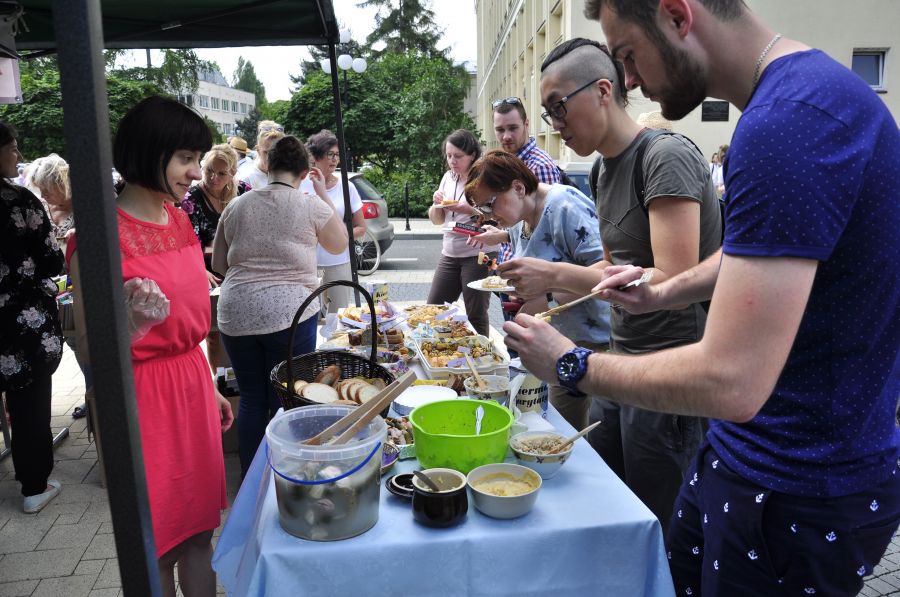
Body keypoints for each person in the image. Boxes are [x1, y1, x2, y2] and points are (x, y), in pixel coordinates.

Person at [505, 1, 900, 595]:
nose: (631, 81)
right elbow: (761, 254)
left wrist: (572, 363)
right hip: (751, 457)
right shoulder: (794, 103)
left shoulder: (788, 122)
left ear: (676, 15)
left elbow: (732, 382)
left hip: (795, 482)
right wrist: (663, 287)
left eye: (630, 55)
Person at [500, 38, 720, 532]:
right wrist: (551, 284)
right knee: (604, 506)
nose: (553, 122)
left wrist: (554, 275)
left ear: (603, 90)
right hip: (617, 364)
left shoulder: (664, 155)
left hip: (670, 376)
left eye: (559, 106)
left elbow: (676, 278)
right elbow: (611, 271)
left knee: (657, 525)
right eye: (547, 111)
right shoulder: (600, 169)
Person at [67, 96, 234, 596]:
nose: (195, 172)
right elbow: (88, 345)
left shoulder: (179, 219)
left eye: (197, 159)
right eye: (185, 158)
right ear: (148, 152)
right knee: (156, 546)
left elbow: (189, 321)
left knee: (201, 535)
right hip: (139, 400)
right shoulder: (97, 237)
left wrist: (210, 386)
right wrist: (130, 326)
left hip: (190, 386)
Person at [212, 135, 347, 478]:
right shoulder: (309, 205)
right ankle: (283, 475)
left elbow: (220, 264)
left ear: (268, 165)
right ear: (304, 172)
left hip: (236, 313)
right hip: (291, 314)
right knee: (288, 398)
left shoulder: (237, 205)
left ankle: (251, 478)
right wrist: (321, 195)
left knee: (254, 398)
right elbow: (338, 244)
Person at [466, 150, 611, 432]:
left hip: (595, 343)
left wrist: (547, 300)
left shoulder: (562, 204)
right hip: (560, 342)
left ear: (519, 187)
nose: (490, 216)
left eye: (491, 204)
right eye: (483, 210)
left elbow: (607, 269)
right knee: (558, 431)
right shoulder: (522, 216)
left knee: (591, 438)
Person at [0, 122, 65, 514]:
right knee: (29, 405)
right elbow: (52, 260)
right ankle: (34, 487)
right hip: (21, 323)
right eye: (13, 146)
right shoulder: (19, 201)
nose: (18, 155)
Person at [27, 154, 92, 419]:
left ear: (61, 182)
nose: (42, 193)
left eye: (46, 187)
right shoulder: (43, 207)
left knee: (89, 340)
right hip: (57, 289)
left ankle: (96, 392)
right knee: (74, 341)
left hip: (86, 285)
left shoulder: (87, 204)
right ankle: (90, 393)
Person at [179, 143, 250, 371]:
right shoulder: (191, 198)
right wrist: (201, 270)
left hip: (239, 271)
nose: (213, 177)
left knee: (243, 328)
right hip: (206, 272)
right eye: (209, 170)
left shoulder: (243, 192)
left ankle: (238, 374)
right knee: (214, 332)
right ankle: (219, 379)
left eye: (221, 173)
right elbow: (184, 244)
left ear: (232, 174)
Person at [491, 97, 561, 321]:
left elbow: (548, 230)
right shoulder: (508, 163)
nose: (506, 136)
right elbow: (522, 224)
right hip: (513, 274)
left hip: (534, 283)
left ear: (527, 124)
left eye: (512, 128)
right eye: (500, 129)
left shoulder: (539, 166)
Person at [425, 129, 496, 336]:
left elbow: (497, 217)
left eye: (458, 156)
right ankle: (440, 351)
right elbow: (438, 220)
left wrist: (470, 210)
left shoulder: (483, 178)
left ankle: (481, 360)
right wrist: (436, 205)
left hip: (479, 253)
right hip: (450, 252)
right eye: (449, 156)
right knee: (434, 309)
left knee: (475, 314)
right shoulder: (448, 177)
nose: (452, 161)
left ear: (472, 155)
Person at [299, 129, 365, 313]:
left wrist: (339, 235)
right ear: (316, 157)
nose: (335, 159)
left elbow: (361, 227)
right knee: (308, 318)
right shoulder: (301, 184)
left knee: (338, 318)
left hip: (338, 262)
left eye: (337, 155)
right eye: (330, 155)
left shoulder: (347, 186)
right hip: (308, 264)